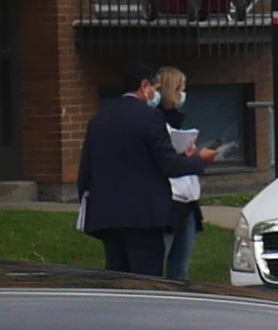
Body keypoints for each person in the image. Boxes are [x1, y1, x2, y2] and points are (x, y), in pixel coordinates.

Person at [77, 64, 180, 276]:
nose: (157, 94)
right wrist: (198, 160)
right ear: (144, 86)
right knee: (146, 278)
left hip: (108, 215)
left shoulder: (99, 119)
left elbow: (86, 170)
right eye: (156, 88)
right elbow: (168, 163)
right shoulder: (149, 117)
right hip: (143, 216)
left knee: (117, 274)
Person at [152, 66, 210, 281]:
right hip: (169, 200)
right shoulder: (155, 121)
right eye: (180, 89)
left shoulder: (176, 120)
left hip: (187, 201)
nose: (182, 95)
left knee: (181, 267)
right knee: (161, 262)